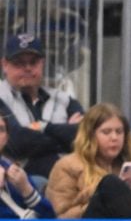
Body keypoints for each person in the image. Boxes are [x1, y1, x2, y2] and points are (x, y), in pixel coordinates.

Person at [45, 103, 131, 220]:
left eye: (119, 132)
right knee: (110, 183)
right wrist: (100, 195)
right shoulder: (67, 166)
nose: (114, 138)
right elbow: (60, 216)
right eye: (106, 132)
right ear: (90, 135)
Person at [0, 33, 83, 182]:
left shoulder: (63, 99)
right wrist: (65, 132)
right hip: (15, 180)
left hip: (68, 177)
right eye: (19, 63)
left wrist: (43, 127)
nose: (28, 68)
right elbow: (16, 143)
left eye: (33, 62)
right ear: (4, 65)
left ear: (42, 63)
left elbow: (85, 137)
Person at [0, 115, 55, 219]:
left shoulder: (14, 171)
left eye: (0, 129)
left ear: (6, 138)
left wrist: (26, 189)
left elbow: (49, 219)